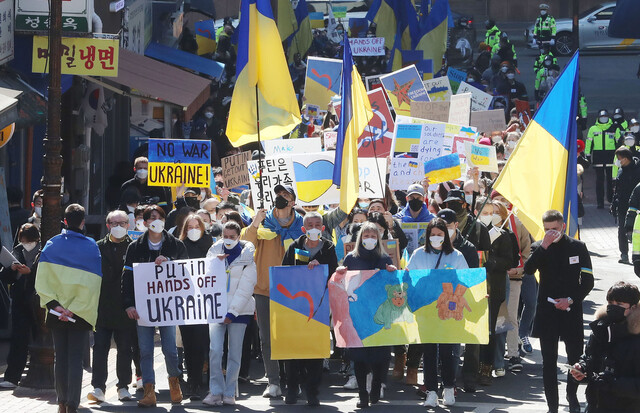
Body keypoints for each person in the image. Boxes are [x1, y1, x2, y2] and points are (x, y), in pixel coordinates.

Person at [523, 210, 594, 413]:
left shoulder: (577, 247)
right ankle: (552, 406)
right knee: (549, 361)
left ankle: (572, 397)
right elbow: (528, 270)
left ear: (562, 226)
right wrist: (544, 245)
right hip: (547, 312)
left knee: (575, 358)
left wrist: (571, 299)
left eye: (554, 229)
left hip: (571, 310)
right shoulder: (539, 247)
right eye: (547, 230)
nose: (551, 233)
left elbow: (588, 281)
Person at [34, 204, 102, 413]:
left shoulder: (52, 245)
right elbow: (93, 285)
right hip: (80, 313)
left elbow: (41, 281)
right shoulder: (92, 246)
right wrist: (74, 309)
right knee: (75, 360)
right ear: (83, 222)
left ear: (64, 221)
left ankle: (61, 403)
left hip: (56, 311)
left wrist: (56, 306)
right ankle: (72, 403)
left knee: (60, 358)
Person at [241, 184, 304, 398]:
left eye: (286, 195)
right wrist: (255, 222)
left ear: (293, 201)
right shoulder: (263, 222)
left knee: (292, 337)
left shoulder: (302, 225)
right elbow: (245, 243)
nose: (281, 198)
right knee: (267, 338)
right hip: (265, 289)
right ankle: (274, 381)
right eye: (278, 195)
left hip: (293, 291)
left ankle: (292, 379)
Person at [122, 205, 188, 407]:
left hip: (167, 307)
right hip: (143, 308)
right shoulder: (135, 247)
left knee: (170, 349)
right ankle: (149, 390)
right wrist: (129, 305)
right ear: (145, 222)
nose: (156, 220)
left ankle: (174, 383)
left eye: (160, 217)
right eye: (152, 217)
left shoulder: (175, 245)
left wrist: (169, 261)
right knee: (145, 350)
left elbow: (187, 272)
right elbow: (127, 279)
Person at [407, 217, 468, 407]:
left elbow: (466, 280)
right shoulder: (418, 254)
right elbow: (409, 279)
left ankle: (449, 388)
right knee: (429, 352)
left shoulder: (456, 256)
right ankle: (432, 391)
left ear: (446, 236)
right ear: (427, 236)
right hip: (426, 311)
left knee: (448, 351)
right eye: (432, 235)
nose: (436, 237)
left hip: (448, 310)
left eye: (439, 234)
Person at [337, 222, 396, 408]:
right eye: (366, 235)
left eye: (373, 236)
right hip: (358, 313)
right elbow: (342, 283)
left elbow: (393, 286)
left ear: (378, 239)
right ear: (360, 237)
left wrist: (392, 273)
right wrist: (339, 273)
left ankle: (377, 384)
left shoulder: (384, 258)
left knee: (381, 354)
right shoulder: (351, 258)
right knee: (360, 356)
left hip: (378, 313)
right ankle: (362, 393)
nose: (369, 239)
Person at [281, 212, 338, 406]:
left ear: (323, 228)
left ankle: (312, 392)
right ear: (304, 229)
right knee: (293, 351)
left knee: (314, 351)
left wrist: (320, 267)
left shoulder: (329, 248)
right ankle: (291, 388)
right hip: (296, 307)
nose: (314, 228)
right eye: (310, 225)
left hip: (319, 307)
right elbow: (284, 272)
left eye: (318, 224)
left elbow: (333, 273)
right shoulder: (294, 247)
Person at [204, 221, 257, 406]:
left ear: (239, 237)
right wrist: (213, 265)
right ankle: (215, 391)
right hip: (216, 310)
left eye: (232, 237)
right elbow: (204, 281)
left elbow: (246, 288)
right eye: (225, 236)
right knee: (215, 351)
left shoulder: (248, 258)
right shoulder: (212, 253)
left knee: (235, 353)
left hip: (240, 312)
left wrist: (232, 313)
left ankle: (229, 392)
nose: (228, 240)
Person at [87, 211, 135, 403]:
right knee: (99, 348)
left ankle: (123, 386)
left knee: (125, 348)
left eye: (122, 222)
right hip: (101, 306)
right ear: (107, 225)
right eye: (114, 223)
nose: (118, 226)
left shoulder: (134, 247)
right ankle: (98, 387)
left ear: (127, 225)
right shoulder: (96, 247)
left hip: (126, 308)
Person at [571, 281, 640, 413]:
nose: (613, 307)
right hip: (594, 404)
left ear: (633, 308)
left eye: (619, 304)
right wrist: (581, 368)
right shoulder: (600, 329)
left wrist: (611, 383)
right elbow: (589, 357)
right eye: (610, 303)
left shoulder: (636, 338)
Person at [474, 198, 515, 384]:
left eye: (492, 212)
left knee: (490, 329)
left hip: (495, 287)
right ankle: (471, 366)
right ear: (476, 212)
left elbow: (510, 260)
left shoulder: (502, 235)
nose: (489, 216)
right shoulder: (471, 232)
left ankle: (486, 367)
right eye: (485, 212)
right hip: (474, 287)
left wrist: (494, 262)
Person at [0, 224, 40, 389]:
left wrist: (30, 273)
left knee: (41, 338)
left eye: (28, 241)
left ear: (36, 239)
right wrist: (12, 268)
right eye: (23, 241)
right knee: (18, 339)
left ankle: (39, 374)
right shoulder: (17, 250)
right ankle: (12, 376)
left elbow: (47, 274)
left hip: (38, 301)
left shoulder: (43, 251)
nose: (26, 244)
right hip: (20, 300)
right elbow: (5, 277)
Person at [178, 214, 213, 400]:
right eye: (189, 227)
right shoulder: (179, 245)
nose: (193, 230)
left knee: (201, 344)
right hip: (185, 303)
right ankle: (191, 381)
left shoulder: (211, 245)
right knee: (188, 343)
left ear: (202, 228)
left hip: (205, 303)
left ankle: (199, 382)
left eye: (196, 226)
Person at [586, 110, 621, 208]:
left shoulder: (614, 128)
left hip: (611, 156)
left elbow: (619, 143)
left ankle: (611, 200)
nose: (604, 117)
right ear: (598, 117)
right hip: (598, 157)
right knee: (599, 181)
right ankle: (600, 202)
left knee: (611, 180)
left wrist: (620, 156)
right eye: (602, 116)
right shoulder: (593, 129)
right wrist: (587, 155)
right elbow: (589, 143)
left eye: (605, 116)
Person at [612, 147, 640, 264]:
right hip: (622, 205)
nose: (618, 161)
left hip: (636, 206)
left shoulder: (638, 169)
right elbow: (617, 189)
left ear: (626, 158)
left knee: (636, 230)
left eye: (620, 159)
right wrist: (614, 204)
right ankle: (624, 254)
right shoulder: (621, 170)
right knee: (622, 230)